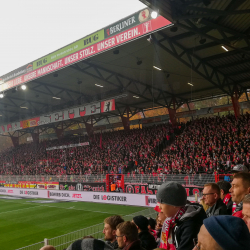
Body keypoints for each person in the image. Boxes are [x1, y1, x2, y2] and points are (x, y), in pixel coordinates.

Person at [156, 181, 206, 250]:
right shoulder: (172, 220)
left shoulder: (191, 226)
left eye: (162, 203)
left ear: (174, 204)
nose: (160, 207)